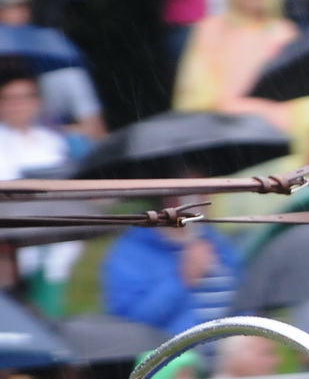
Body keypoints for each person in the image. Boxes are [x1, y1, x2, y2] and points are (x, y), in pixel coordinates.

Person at [173, 0, 299, 130]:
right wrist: (219, 106)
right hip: (216, 118)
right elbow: (194, 82)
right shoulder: (209, 28)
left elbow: (293, 86)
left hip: (272, 119)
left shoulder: (283, 31)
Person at [0, 58, 79, 315]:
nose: (17, 105)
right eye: (10, 98)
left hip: (54, 240)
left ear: (36, 102)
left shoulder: (53, 143)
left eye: (24, 97)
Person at [0, 0, 104, 141]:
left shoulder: (63, 66)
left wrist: (41, 132)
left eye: (22, 6)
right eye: (8, 7)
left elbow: (96, 132)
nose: (19, 13)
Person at [101, 219, 242, 336]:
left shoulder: (217, 242)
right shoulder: (130, 253)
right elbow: (129, 326)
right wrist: (182, 279)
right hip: (173, 363)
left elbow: (244, 300)